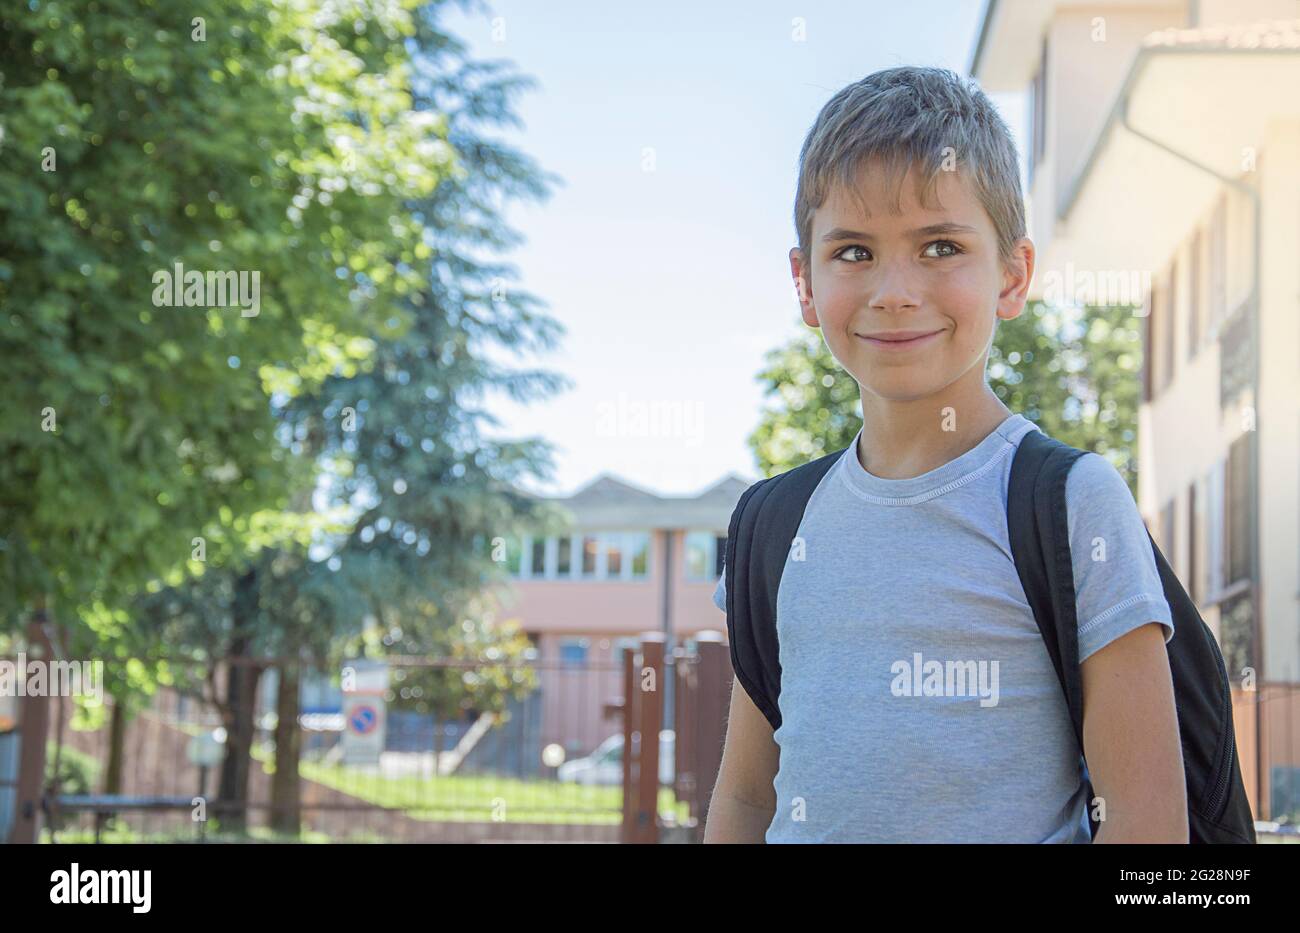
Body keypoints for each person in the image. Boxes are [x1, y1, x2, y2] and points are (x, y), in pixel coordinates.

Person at [703, 66, 1186, 843]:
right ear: (804, 281)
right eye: (853, 251)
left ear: (1013, 273)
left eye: (939, 245)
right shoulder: (772, 522)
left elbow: (1146, 823)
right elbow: (746, 800)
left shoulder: (1069, 503)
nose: (894, 289)